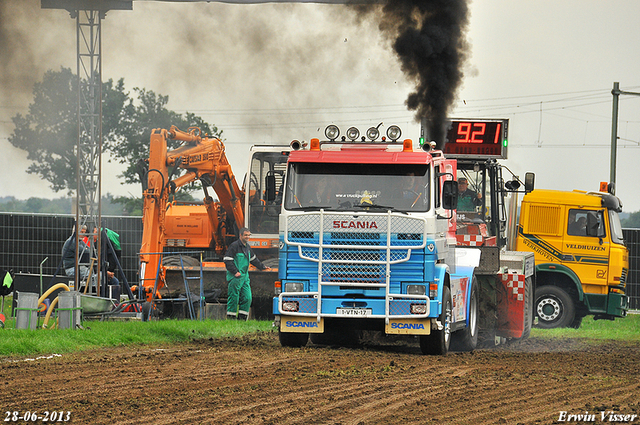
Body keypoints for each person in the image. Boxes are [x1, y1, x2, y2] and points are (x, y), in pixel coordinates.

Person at [223, 227, 271, 320]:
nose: (247, 237)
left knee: (247, 298)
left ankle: (242, 319)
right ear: (240, 235)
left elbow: (253, 260)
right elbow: (227, 260)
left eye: (249, 235)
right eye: (245, 235)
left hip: (245, 277)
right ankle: (231, 320)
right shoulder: (234, 246)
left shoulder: (247, 247)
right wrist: (235, 271)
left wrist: (262, 266)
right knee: (234, 298)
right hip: (235, 277)